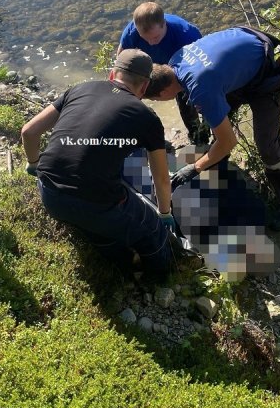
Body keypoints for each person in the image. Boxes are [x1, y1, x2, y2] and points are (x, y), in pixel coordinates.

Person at [21, 49, 183, 278]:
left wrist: (33, 163)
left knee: (99, 224)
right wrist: (165, 213)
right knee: (153, 229)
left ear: (111, 74)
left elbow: (29, 132)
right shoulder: (146, 117)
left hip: (49, 193)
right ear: (145, 87)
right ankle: (163, 277)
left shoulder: (79, 89)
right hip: (96, 204)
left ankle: (121, 261)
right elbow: (161, 178)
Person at [146, 27, 280, 231]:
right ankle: (218, 162)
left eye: (157, 99)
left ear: (165, 90)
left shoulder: (201, 88)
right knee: (219, 122)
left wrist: (194, 168)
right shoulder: (176, 60)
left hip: (268, 69)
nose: (161, 101)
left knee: (267, 145)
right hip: (241, 60)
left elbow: (229, 141)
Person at [117, 1, 207, 144]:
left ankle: (199, 139)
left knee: (187, 104)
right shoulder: (132, 31)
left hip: (181, 68)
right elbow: (122, 61)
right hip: (149, 67)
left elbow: (201, 69)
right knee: (130, 96)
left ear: (164, 23)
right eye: (144, 38)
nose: (150, 43)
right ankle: (138, 139)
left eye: (155, 37)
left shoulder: (186, 34)